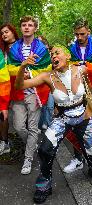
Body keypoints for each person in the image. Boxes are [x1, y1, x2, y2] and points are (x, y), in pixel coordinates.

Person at [15, 44, 92, 204]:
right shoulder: (47, 76)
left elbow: (89, 86)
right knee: (45, 150)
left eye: (57, 53)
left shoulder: (81, 70)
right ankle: (44, 185)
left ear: (67, 56)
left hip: (83, 115)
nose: (53, 56)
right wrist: (23, 66)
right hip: (62, 118)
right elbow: (20, 86)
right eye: (51, 55)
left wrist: (90, 110)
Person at [6, 16, 51, 175]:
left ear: (35, 28)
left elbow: (47, 69)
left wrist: (30, 74)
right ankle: (32, 145)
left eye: (30, 25)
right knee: (18, 126)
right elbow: (10, 68)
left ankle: (28, 159)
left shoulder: (41, 49)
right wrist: (21, 70)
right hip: (18, 93)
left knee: (32, 127)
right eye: (24, 25)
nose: (26, 27)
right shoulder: (14, 49)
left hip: (35, 94)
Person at [63, 18, 92, 173]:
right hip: (75, 94)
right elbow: (65, 68)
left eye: (82, 34)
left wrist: (86, 67)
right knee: (76, 126)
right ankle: (77, 159)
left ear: (88, 32)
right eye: (77, 34)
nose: (79, 37)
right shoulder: (70, 50)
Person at [0, 24, 19, 155]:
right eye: (2, 33)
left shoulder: (22, 46)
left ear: (13, 32)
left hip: (19, 87)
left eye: (6, 32)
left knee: (21, 121)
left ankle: (30, 140)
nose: (4, 35)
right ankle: (4, 141)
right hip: (4, 86)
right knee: (2, 114)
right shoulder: (2, 49)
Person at [37, 35, 54, 131]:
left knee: (50, 106)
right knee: (42, 106)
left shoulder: (52, 56)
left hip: (50, 85)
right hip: (39, 85)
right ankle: (41, 124)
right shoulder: (36, 57)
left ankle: (47, 124)